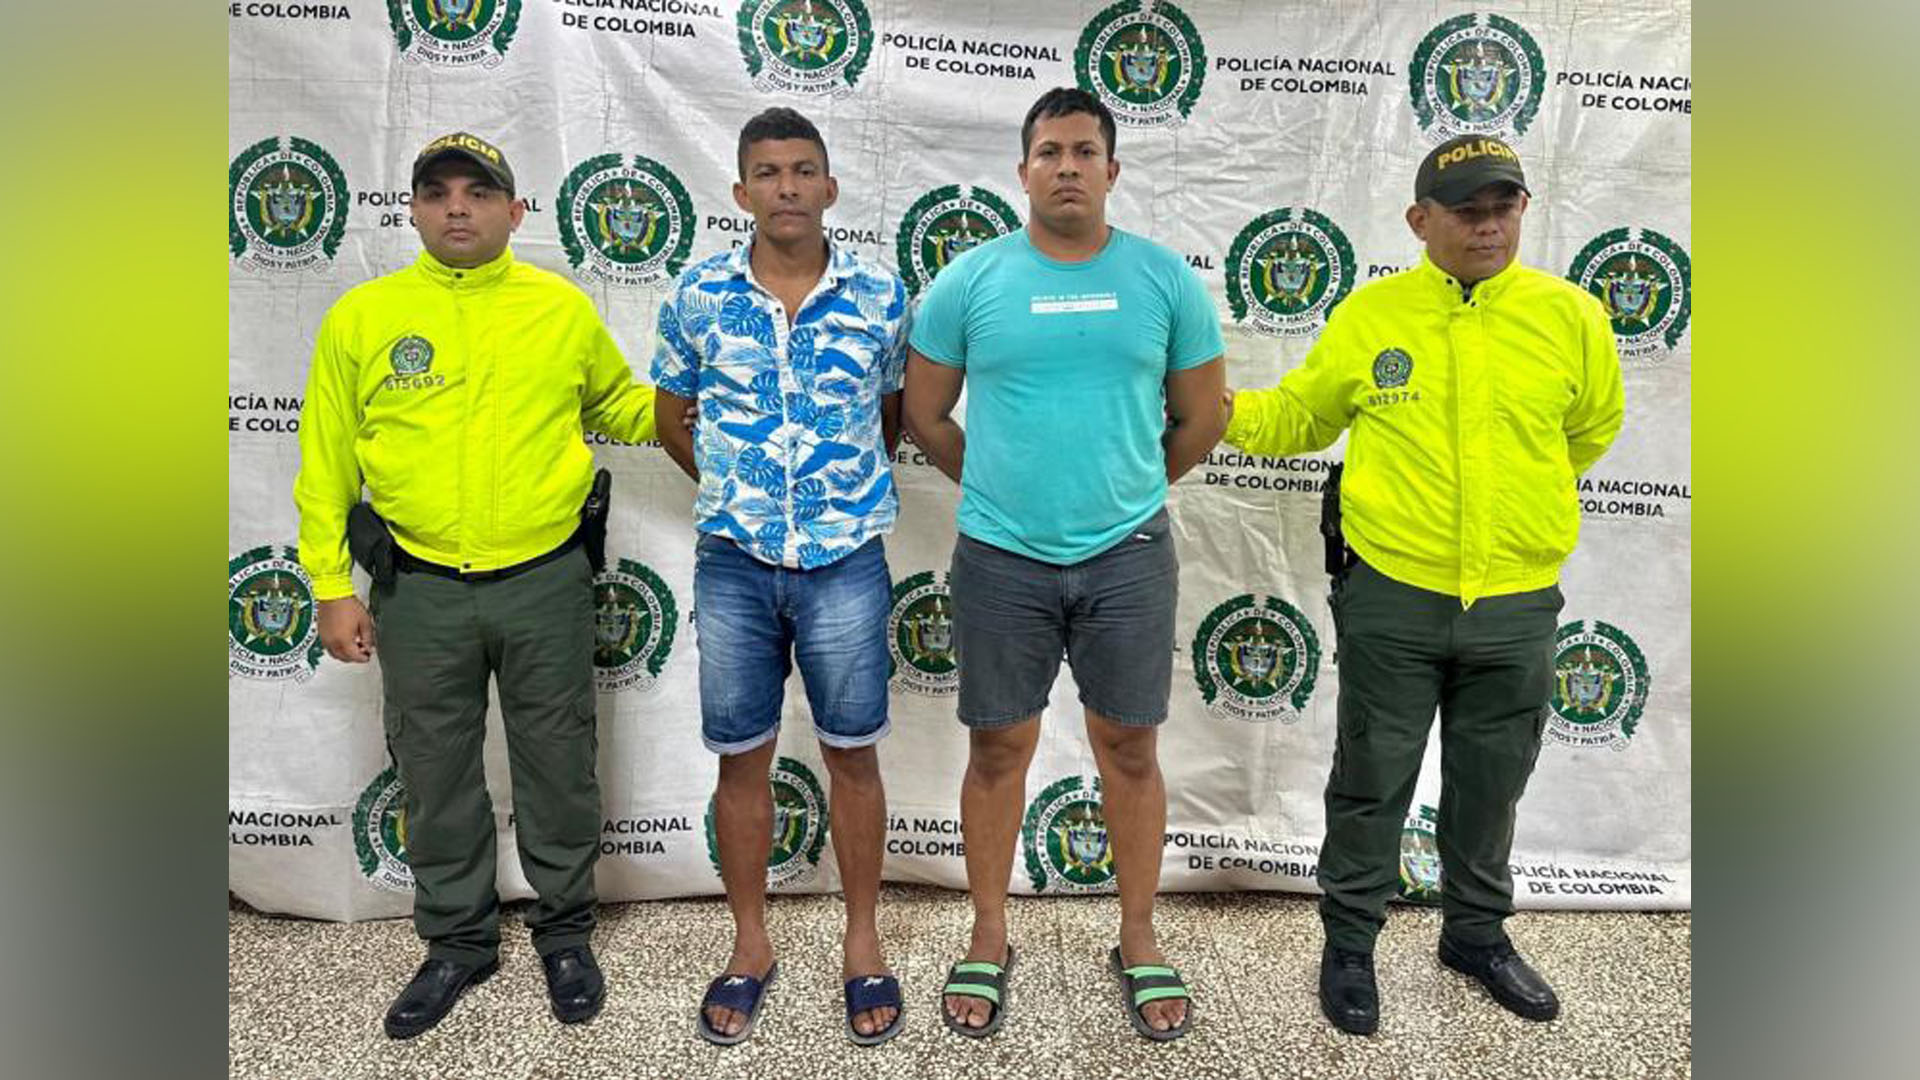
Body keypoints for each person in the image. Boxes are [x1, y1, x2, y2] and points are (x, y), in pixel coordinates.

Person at [1220, 134, 1626, 1034]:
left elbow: (1588, 433)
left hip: (1517, 602)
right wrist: (1214, 409)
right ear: (1421, 220)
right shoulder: (1373, 317)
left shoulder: (1572, 318)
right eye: (1467, 209)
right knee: (1372, 777)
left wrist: (1518, 516)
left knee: (1493, 780)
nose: (1489, 225)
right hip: (1393, 595)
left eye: (1504, 206)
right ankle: (1352, 945)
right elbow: (1301, 416)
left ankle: (1475, 936)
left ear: (1524, 208)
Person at [294, 132, 657, 1039]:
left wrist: (712, 395)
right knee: (435, 768)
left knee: (558, 764)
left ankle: (565, 932)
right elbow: (325, 462)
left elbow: (622, 404)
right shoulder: (364, 317)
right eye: (438, 192)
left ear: (514, 211)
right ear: (413, 209)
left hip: (544, 582)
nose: (458, 206)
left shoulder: (559, 309)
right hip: (418, 590)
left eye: (478, 192)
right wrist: (329, 585)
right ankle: (456, 943)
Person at [902, 87, 1226, 1042]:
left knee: (1130, 749)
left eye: (1086, 151)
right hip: (1001, 560)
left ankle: (1137, 935)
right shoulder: (969, 282)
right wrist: (1002, 490)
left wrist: (1128, 486)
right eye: (1050, 152)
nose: (1069, 166)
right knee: (999, 750)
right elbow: (924, 416)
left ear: (1113, 170)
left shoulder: (1164, 280)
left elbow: (1203, 418)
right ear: (1024, 172)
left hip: (1130, 556)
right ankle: (989, 932)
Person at [651, 107, 911, 1047]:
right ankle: (750, 943)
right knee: (741, 756)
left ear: (831, 188)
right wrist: (742, 491)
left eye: (804, 170)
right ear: (741, 192)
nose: (788, 187)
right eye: (768, 173)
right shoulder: (697, 294)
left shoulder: (882, 298)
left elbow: (892, 419)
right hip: (734, 562)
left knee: (852, 752)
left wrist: (829, 498)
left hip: (846, 560)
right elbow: (670, 414)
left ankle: (862, 938)